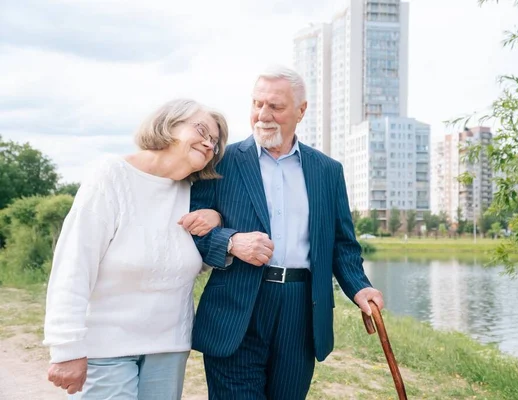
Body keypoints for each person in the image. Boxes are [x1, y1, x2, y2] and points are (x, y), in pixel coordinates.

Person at [179, 66, 384, 399]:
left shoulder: (328, 171)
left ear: (301, 111)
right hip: (236, 308)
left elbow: (343, 245)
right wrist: (230, 242)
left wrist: (360, 288)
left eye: (275, 106)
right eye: (257, 104)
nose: (263, 115)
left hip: (301, 310)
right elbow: (192, 230)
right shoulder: (220, 163)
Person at [43, 98, 228, 399]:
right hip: (105, 349)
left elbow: (199, 259)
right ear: (169, 123)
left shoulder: (195, 194)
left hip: (169, 351)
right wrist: (66, 348)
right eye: (201, 130)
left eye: (214, 142)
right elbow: (73, 265)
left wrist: (216, 219)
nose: (209, 144)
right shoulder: (110, 176)